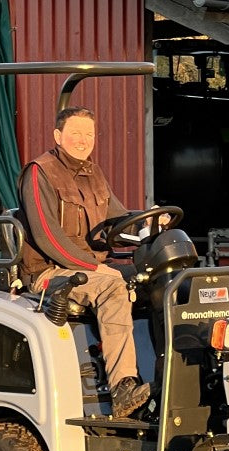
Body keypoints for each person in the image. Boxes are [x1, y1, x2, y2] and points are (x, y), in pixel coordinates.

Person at [17, 106, 149, 417]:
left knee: (158, 278)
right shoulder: (39, 172)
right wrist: (93, 267)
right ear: (58, 136)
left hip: (89, 267)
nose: (82, 140)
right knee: (113, 286)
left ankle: (165, 375)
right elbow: (48, 236)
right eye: (75, 133)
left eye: (88, 134)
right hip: (49, 271)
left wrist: (149, 225)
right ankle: (122, 389)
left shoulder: (94, 174)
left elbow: (118, 220)